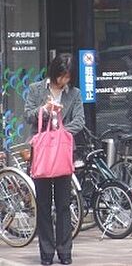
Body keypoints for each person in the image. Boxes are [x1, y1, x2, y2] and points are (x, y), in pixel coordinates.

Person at [24, 53, 85, 266]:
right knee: (43, 205)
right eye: (61, 76)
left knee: (63, 205)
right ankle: (46, 253)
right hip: (42, 153)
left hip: (62, 153)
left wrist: (61, 133)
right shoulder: (36, 89)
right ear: (54, 72)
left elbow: (80, 120)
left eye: (68, 77)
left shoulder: (74, 93)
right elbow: (28, 115)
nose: (64, 80)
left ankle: (65, 251)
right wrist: (45, 110)